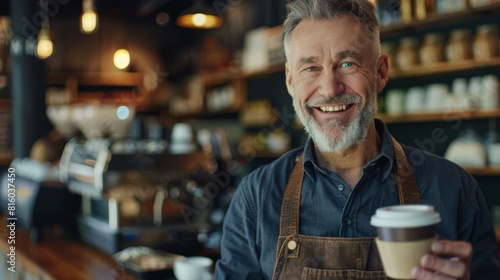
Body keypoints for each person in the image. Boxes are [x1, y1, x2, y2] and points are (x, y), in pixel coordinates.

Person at [214, 0, 500, 279]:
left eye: (347, 63)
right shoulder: (256, 197)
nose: (329, 89)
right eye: (311, 68)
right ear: (290, 80)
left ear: (380, 72)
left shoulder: (454, 189)